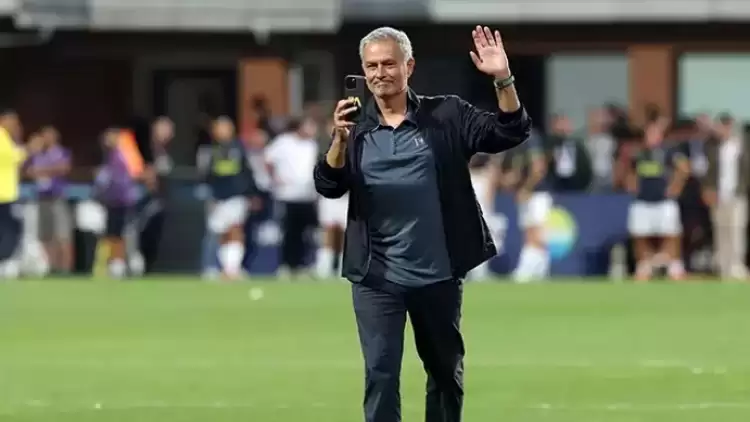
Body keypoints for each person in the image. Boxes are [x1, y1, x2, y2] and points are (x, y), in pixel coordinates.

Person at [313, 26, 530, 422]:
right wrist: (339, 142)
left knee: (445, 373)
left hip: (438, 273)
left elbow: (510, 131)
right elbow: (328, 185)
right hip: (376, 276)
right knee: (380, 374)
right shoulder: (354, 126)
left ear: (409, 67)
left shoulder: (446, 115)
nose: (380, 73)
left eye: (389, 64)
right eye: (371, 66)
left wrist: (503, 78)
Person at [627, 121, 690, 281]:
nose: (652, 137)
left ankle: (674, 266)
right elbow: (630, 171)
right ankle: (644, 265)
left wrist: (676, 186)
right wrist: (632, 184)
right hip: (642, 200)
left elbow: (684, 168)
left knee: (672, 233)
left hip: (664, 201)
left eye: (655, 134)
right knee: (639, 234)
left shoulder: (670, 151)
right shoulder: (638, 153)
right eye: (649, 134)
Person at [204, 116, 259, 280]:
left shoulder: (239, 148)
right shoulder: (209, 150)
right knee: (221, 232)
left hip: (237, 195)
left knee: (235, 229)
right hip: (218, 197)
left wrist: (252, 193)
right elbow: (206, 175)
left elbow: (247, 171)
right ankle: (223, 268)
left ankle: (233, 268)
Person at [265, 116, 319, 277]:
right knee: (289, 230)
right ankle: (286, 264)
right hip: (287, 194)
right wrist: (275, 178)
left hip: (307, 194)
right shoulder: (283, 142)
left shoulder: (312, 145)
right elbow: (268, 160)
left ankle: (303, 264)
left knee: (307, 231)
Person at [702, 113, 750, 280]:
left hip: (737, 194)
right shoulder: (714, 147)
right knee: (720, 230)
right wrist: (708, 189)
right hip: (718, 195)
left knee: (736, 230)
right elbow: (709, 171)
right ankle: (723, 265)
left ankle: (736, 265)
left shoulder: (742, 146)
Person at [93, 128, 141, 279]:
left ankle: (122, 262)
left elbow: (127, 178)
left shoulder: (122, 156)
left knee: (122, 233)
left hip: (123, 201)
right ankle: (115, 262)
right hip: (112, 201)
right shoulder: (109, 157)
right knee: (112, 233)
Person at [26, 126, 73, 274]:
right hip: (42, 197)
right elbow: (27, 170)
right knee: (46, 235)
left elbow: (64, 168)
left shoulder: (60, 152)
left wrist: (42, 171)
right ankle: (52, 267)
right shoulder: (38, 154)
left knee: (62, 234)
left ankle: (65, 268)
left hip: (57, 196)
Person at [0, 109, 42, 277]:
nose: (15, 125)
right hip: (4, 194)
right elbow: (11, 157)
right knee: (11, 229)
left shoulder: (7, 138)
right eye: (13, 121)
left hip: (7, 193)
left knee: (10, 228)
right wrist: (30, 149)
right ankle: (4, 261)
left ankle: (5, 261)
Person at [316, 119, 349, 279]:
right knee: (328, 229)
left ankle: (344, 267)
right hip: (329, 196)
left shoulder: (355, 144)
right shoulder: (323, 146)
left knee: (346, 231)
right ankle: (324, 267)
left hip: (348, 195)